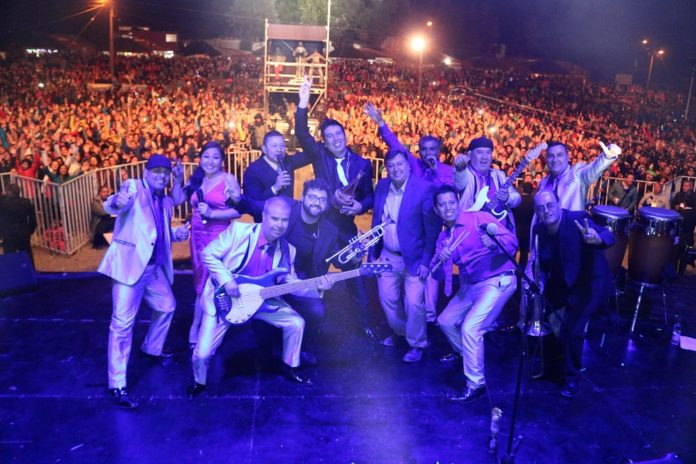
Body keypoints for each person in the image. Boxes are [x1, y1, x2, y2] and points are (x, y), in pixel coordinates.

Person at [187, 197, 333, 399]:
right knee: (202, 354)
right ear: (264, 216)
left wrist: (318, 287)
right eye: (274, 219)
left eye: (284, 220)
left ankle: (290, 366)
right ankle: (199, 382)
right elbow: (208, 254)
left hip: (260, 301)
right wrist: (227, 280)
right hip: (226, 299)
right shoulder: (239, 232)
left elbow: (292, 286)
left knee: (296, 322)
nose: (279, 225)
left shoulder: (288, 250)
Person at [97, 154, 189, 409]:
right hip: (129, 268)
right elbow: (113, 205)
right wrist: (117, 200)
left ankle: (151, 348)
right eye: (156, 171)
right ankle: (117, 383)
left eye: (165, 172)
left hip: (152, 270)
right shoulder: (134, 187)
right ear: (146, 172)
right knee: (122, 324)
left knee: (167, 306)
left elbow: (156, 233)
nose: (161, 175)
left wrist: (177, 234)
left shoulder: (165, 202)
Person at [295, 77, 379, 341]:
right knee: (316, 275)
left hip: (347, 229)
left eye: (338, 134)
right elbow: (301, 133)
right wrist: (304, 101)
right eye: (329, 137)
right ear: (325, 141)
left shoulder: (363, 164)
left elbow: (370, 197)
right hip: (323, 228)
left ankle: (363, 323)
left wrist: (359, 205)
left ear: (345, 136)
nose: (334, 139)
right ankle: (314, 323)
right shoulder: (320, 155)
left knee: (355, 276)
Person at [365, 102, 454, 321]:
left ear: (439, 151)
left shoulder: (447, 171)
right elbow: (395, 144)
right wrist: (381, 123)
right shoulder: (413, 165)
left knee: (431, 280)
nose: (428, 153)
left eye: (432, 149)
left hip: (439, 232)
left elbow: (450, 194)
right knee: (414, 286)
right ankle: (411, 326)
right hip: (415, 231)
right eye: (424, 149)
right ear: (419, 151)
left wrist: (436, 172)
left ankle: (430, 320)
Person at [432, 185, 519, 403]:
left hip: (498, 279)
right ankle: (468, 354)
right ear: (436, 210)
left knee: (471, 327)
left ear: (458, 202)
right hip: (471, 285)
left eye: (451, 202)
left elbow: (512, 241)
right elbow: (436, 277)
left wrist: (495, 245)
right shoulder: (443, 238)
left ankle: (476, 383)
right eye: (442, 205)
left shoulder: (478, 218)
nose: (448, 208)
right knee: (444, 320)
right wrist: (441, 260)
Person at [529, 190, 614, 398]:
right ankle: (551, 367)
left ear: (559, 204)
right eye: (540, 208)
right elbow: (542, 262)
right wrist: (538, 279)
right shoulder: (540, 229)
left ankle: (571, 377)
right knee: (544, 317)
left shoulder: (578, 219)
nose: (546, 210)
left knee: (572, 329)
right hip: (562, 283)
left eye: (550, 205)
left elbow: (607, 234)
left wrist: (596, 239)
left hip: (589, 284)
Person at [371, 149, 440, 362]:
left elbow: (432, 229)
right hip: (387, 256)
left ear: (409, 165)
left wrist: (426, 261)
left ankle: (417, 344)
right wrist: (372, 254)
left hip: (415, 258)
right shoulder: (382, 186)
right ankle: (402, 333)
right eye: (391, 166)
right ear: (386, 168)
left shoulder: (424, 189)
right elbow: (376, 220)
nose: (396, 169)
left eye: (400, 164)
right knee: (388, 300)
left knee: (414, 303)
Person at [183, 142, 242, 349]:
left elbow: (238, 211)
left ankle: (202, 326)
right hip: (197, 236)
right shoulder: (196, 179)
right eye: (206, 156)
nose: (210, 161)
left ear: (222, 161)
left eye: (215, 157)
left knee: (213, 283)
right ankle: (200, 324)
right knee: (200, 282)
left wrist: (213, 213)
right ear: (200, 158)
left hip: (218, 236)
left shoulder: (228, 179)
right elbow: (179, 201)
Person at [453, 136, 521, 232]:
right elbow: (459, 183)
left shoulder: (499, 175)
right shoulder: (465, 174)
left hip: (499, 236)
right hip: (471, 235)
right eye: (479, 152)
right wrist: (459, 170)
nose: (484, 156)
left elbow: (517, 198)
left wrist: (508, 198)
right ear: (469, 155)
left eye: (488, 152)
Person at [242, 131, 311, 221]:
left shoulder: (288, 162)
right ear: (264, 149)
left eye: (282, 146)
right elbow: (252, 203)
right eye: (274, 146)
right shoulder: (253, 170)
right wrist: (274, 188)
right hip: (265, 224)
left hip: (287, 221)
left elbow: (310, 155)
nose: (279, 149)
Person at [0, 183, 37, 265]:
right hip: (23, 232)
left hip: (8, 233)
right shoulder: (26, 202)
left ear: (8, 192)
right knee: (27, 254)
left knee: (10, 256)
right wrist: (30, 230)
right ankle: (30, 273)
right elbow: (32, 219)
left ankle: (13, 274)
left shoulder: (3, 204)